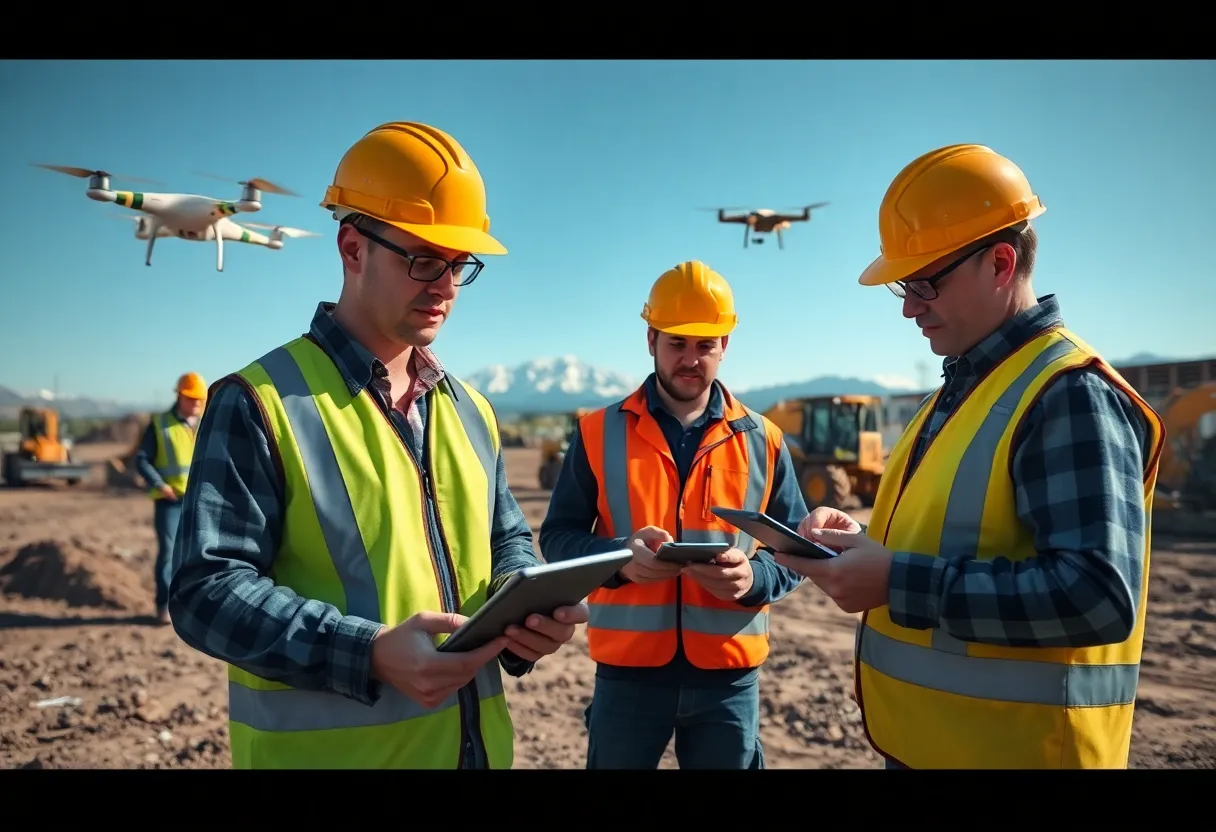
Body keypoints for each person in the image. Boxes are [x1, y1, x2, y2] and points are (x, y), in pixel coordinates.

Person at [166, 121, 587, 769]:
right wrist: (366, 651)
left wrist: (523, 616)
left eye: (459, 264)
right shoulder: (259, 401)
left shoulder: (471, 410)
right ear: (352, 247)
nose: (445, 284)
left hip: (471, 754)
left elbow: (506, 541)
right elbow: (206, 591)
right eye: (423, 259)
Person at [772, 144, 1165, 770]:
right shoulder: (959, 393)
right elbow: (963, 536)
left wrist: (895, 579)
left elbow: (1096, 595)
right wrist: (865, 543)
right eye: (905, 285)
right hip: (936, 745)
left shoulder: (1067, 395)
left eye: (925, 283)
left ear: (1001, 263)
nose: (908, 306)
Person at [539, 260, 808, 769]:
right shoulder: (598, 432)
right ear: (650, 340)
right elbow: (558, 538)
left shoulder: (764, 439)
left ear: (724, 345)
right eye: (676, 343)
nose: (691, 359)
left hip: (728, 678)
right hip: (627, 673)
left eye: (704, 345)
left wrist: (756, 577)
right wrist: (620, 558)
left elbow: (795, 548)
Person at [133, 371, 206, 626]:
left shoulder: (206, 422)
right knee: (168, 554)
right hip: (170, 501)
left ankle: (192, 607)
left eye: (199, 399)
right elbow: (142, 460)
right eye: (191, 399)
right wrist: (160, 485)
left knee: (199, 555)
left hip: (199, 501)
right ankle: (163, 606)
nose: (196, 404)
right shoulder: (160, 424)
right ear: (179, 396)